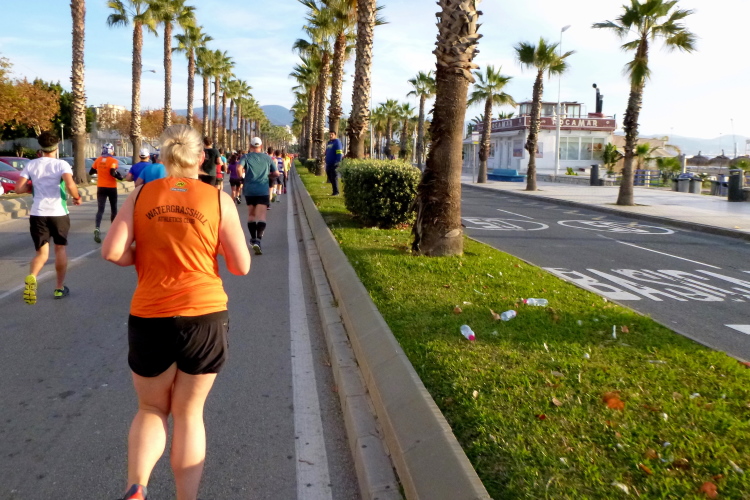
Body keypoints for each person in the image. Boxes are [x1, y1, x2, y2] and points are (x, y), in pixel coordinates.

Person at [101, 124, 250, 500]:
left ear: (164, 157)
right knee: (188, 413)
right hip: (204, 316)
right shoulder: (219, 199)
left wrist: (144, 255)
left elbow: (113, 251)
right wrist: (210, 248)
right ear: (201, 158)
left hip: (150, 315)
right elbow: (241, 266)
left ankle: (137, 487)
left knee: (151, 408)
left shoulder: (142, 194)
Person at [14, 130, 82, 303]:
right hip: (58, 213)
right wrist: (77, 197)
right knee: (60, 249)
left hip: (38, 213)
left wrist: (32, 188)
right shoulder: (61, 164)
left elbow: (18, 188)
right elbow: (70, 184)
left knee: (41, 253)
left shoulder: (31, 164)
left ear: (41, 147)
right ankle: (59, 288)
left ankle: (32, 276)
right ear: (56, 146)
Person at [241, 137, 278, 255]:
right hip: (262, 189)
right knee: (261, 216)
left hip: (249, 190)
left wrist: (242, 178)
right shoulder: (267, 158)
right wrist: (269, 176)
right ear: (261, 146)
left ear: (250, 146)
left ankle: (253, 239)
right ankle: (258, 240)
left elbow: (238, 168)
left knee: (251, 215)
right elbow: (276, 173)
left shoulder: (246, 157)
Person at [91, 142, 123, 243]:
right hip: (111, 187)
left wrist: (100, 171)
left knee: (100, 209)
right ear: (111, 150)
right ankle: (113, 231)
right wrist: (119, 177)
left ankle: (97, 228)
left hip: (101, 187)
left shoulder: (98, 160)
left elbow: (91, 172)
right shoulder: (113, 161)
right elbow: (112, 172)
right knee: (114, 209)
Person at [325, 131, 344, 196]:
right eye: (330, 134)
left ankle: (336, 192)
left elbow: (339, 153)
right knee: (330, 176)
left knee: (334, 177)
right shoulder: (329, 143)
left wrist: (338, 162)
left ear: (335, 135)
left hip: (334, 163)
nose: (330, 136)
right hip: (328, 163)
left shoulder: (337, 142)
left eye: (332, 134)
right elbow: (327, 152)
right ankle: (334, 191)